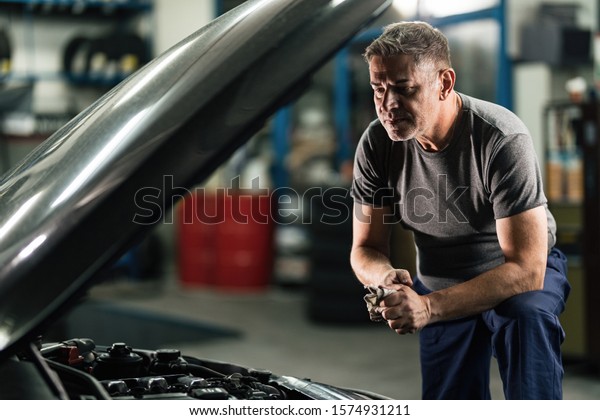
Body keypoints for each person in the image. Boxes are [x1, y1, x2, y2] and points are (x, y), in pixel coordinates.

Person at [350, 21, 570, 400]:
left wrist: (429, 308)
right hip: (440, 280)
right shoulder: (377, 144)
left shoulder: (500, 138)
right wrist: (387, 280)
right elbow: (365, 248)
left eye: (404, 89)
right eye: (378, 89)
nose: (388, 105)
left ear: (444, 83)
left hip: (516, 275)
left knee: (526, 317)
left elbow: (527, 270)